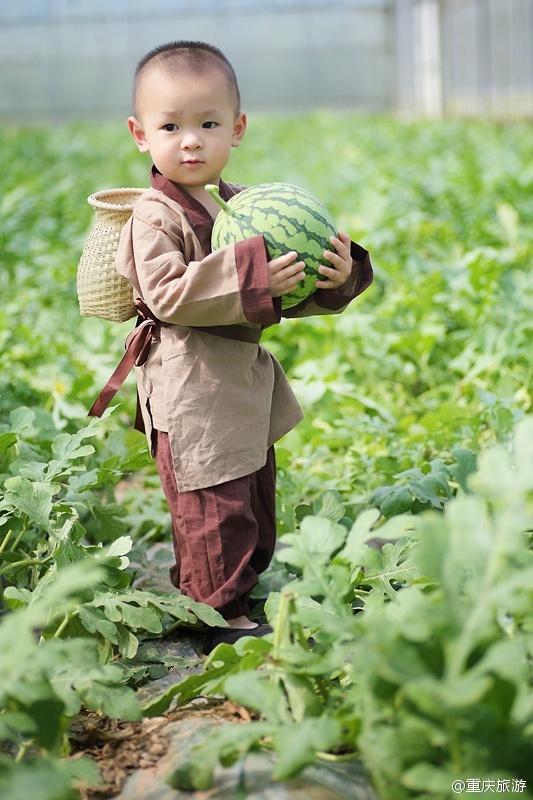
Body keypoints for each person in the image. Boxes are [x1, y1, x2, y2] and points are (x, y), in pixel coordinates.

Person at [89, 40, 373, 654]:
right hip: (190, 389)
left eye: (208, 124)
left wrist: (337, 275)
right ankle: (215, 612)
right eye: (172, 126)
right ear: (141, 135)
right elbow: (166, 293)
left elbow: (286, 290)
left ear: (237, 129)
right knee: (210, 505)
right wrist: (250, 278)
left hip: (237, 385)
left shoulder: (237, 205)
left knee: (248, 491)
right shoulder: (153, 217)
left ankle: (236, 590)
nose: (191, 141)